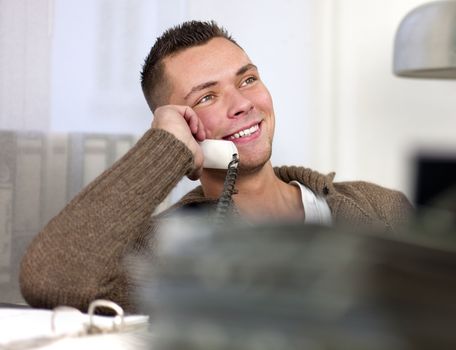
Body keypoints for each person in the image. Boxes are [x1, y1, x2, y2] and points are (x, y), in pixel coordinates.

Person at [19, 20, 412, 313]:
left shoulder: (380, 207)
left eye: (248, 80)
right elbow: (50, 278)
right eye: (206, 97)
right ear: (178, 126)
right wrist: (165, 150)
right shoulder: (162, 249)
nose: (241, 104)